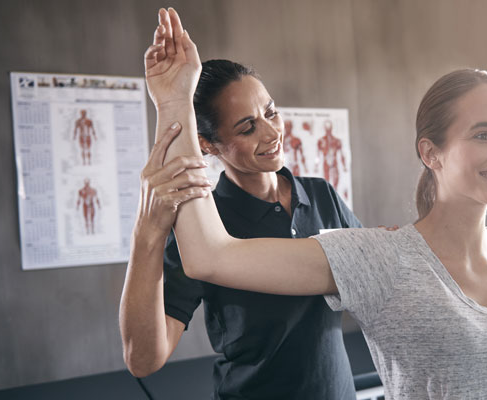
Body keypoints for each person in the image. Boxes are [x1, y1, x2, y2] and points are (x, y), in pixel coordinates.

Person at [144, 8, 487, 399]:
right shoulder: (382, 260)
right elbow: (207, 256)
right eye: (483, 134)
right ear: (431, 153)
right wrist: (173, 103)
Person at [119, 12, 362, 400]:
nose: (271, 133)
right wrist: (146, 232)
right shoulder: (203, 227)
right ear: (208, 145)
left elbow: (370, 283)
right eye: (247, 127)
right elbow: (143, 359)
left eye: (270, 112)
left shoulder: (320, 195)